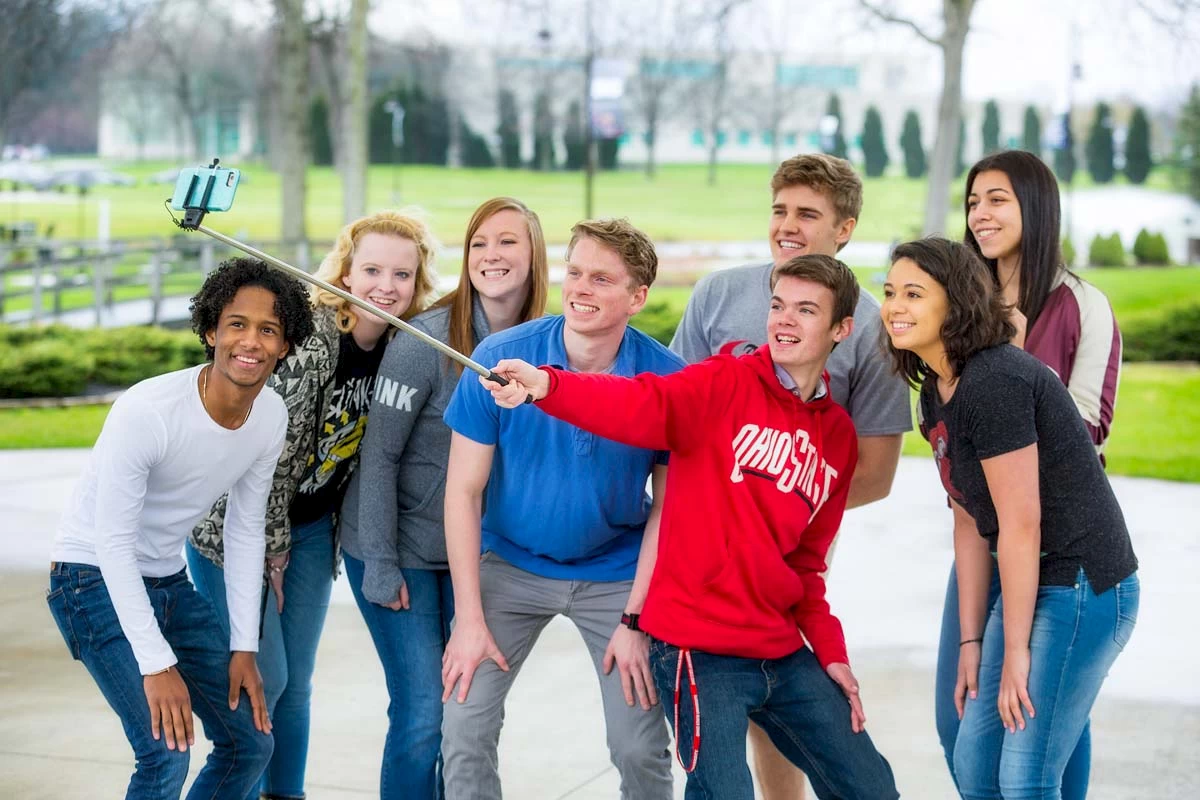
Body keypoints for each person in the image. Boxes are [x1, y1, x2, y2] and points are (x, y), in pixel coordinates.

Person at [480, 254, 899, 800]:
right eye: (777, 306)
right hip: (697, 646)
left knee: (870, 785)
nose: (784, 321)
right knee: (723, 791)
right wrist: (546, 385)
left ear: (842, 328)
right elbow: (634, 401)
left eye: (806, 310)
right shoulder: (721, 385)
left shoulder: (837, 437)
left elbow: (806, 566)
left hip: (779, 647)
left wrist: (832, 654)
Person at [669, 152, 911, 796]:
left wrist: (778, 511)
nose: (788, 225)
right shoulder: (717, 296)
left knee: (783, 690)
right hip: (698, 549)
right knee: (722, 699)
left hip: (793, 543)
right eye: (780, 210)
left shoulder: (869, 331)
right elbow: (667, 420)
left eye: (808, 213)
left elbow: (878, 470)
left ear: (845, 228)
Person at [187, 211, 438, 800]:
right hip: (234, 531)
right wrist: (270, 548)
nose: (386, 285)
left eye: (402, 274)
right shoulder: (316, 338)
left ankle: (285, 792)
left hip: (309, 532)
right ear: (346, 272)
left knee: (294, 683)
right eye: (371, 269)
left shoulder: (402, 347)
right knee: (261, 677)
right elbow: (263, 458)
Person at [46, 257, 314, 800]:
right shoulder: (148, 410)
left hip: (168, 581)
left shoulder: (269, 417)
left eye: (269, 329)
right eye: (237, 323)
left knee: (250, 744)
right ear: (211, 329)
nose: (252, 341)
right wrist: (156, 662)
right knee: (164, 753)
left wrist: (244, 646)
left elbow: (243, 531)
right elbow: (113, 542)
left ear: (285, 345)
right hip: (89, 577)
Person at [881, 237, 1139, 799]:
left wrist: (1015, 653)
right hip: (1037, 583)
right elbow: (971, 522)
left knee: (1025, 775)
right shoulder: (936, 393)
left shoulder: (996, 380)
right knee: (976, 765)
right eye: (891, 292)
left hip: (1083, 586)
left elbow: (1022, 524)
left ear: (956, 304)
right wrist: (972, 643)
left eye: (914, 294)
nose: (895, 306)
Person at [438, 218, 682, 800]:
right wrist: (468, 619)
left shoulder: (667, 383)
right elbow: (462, 493)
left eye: (602, 279)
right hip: (510, 566)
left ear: (637, 297)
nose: (581, 288)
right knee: (463, 726)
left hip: (616, 575)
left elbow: (668, 513)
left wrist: (637, 621)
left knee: (639, 747)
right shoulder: (500, 358)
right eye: (575, 272)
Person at [342, 197, 549, 799]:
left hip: (474, 557)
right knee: (421, 712)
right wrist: (379, 564)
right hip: (397, 547)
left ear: (534, 253)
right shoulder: (425, 339)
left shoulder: (547, 345)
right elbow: (378, 456)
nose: (492, 255)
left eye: (508, 242)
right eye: (480, 243)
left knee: (465, 709)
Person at [932, 150, 1124, 798]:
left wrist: (1005, 359)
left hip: (1056, 554)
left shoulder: (1082, 306)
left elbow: (1089, 427)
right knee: (956, 718)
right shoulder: (954, 307)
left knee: (1043, 736)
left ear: (1035, 208)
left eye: (997, 199)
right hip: (984, 547)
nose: (980, 214)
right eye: (972, 201)